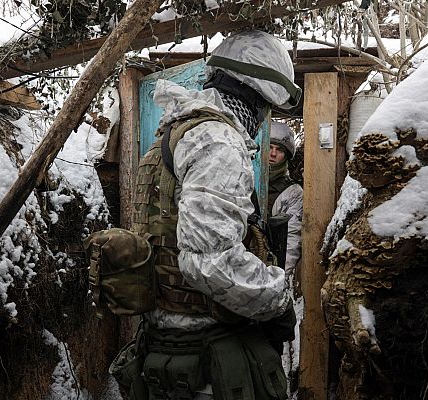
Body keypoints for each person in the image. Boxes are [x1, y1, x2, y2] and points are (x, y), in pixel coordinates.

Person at [108, 30, 301, 400]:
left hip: (166, 344)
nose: (262, 121)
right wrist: (277, 298)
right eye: (266, 109)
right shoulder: (217, 142)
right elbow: (209, 261)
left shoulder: (175, 132)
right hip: (204, 358)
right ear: (257, 97)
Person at [268, 121, 303, 281]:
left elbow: (291, 240)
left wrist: (279, 280)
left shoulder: (292, 192)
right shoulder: (245, 177)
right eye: (269, 147)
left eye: (279, 150)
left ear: (286, 156)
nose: (273, 154)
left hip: (268, 265)